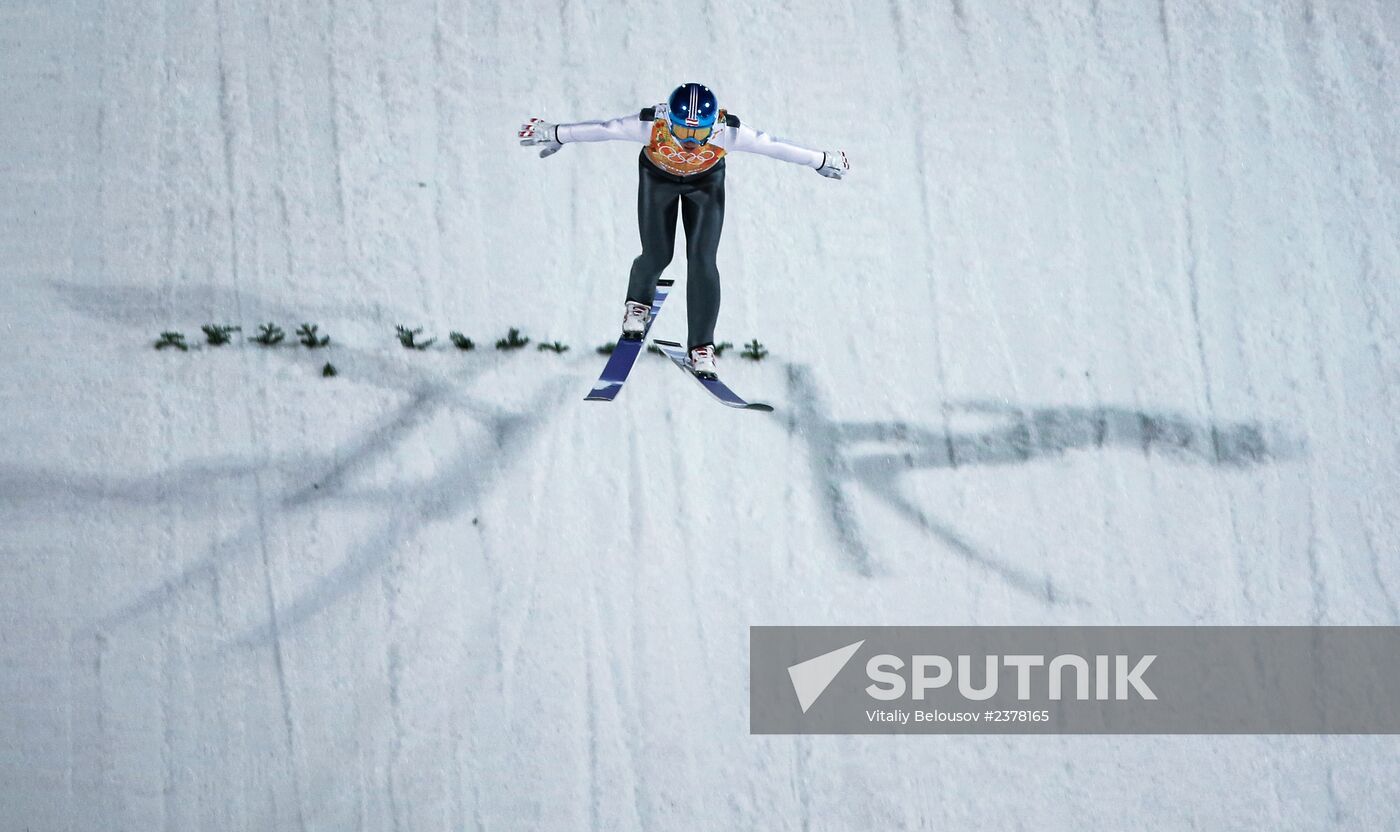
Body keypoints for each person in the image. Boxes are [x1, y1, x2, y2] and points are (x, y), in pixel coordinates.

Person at [519, 82, 849, 379]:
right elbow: (604, 129)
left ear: (712, 125)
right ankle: (638, 303)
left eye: (698, 134)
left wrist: (821, 159)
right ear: (669, 120)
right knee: (658, 252)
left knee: (703, 262)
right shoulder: (650, 124)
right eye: (682, 131)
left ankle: (702, 347)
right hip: (658, 180)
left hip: (705, 186)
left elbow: (774, 145)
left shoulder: (729, 131)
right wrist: (556, 132)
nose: (690, 142)